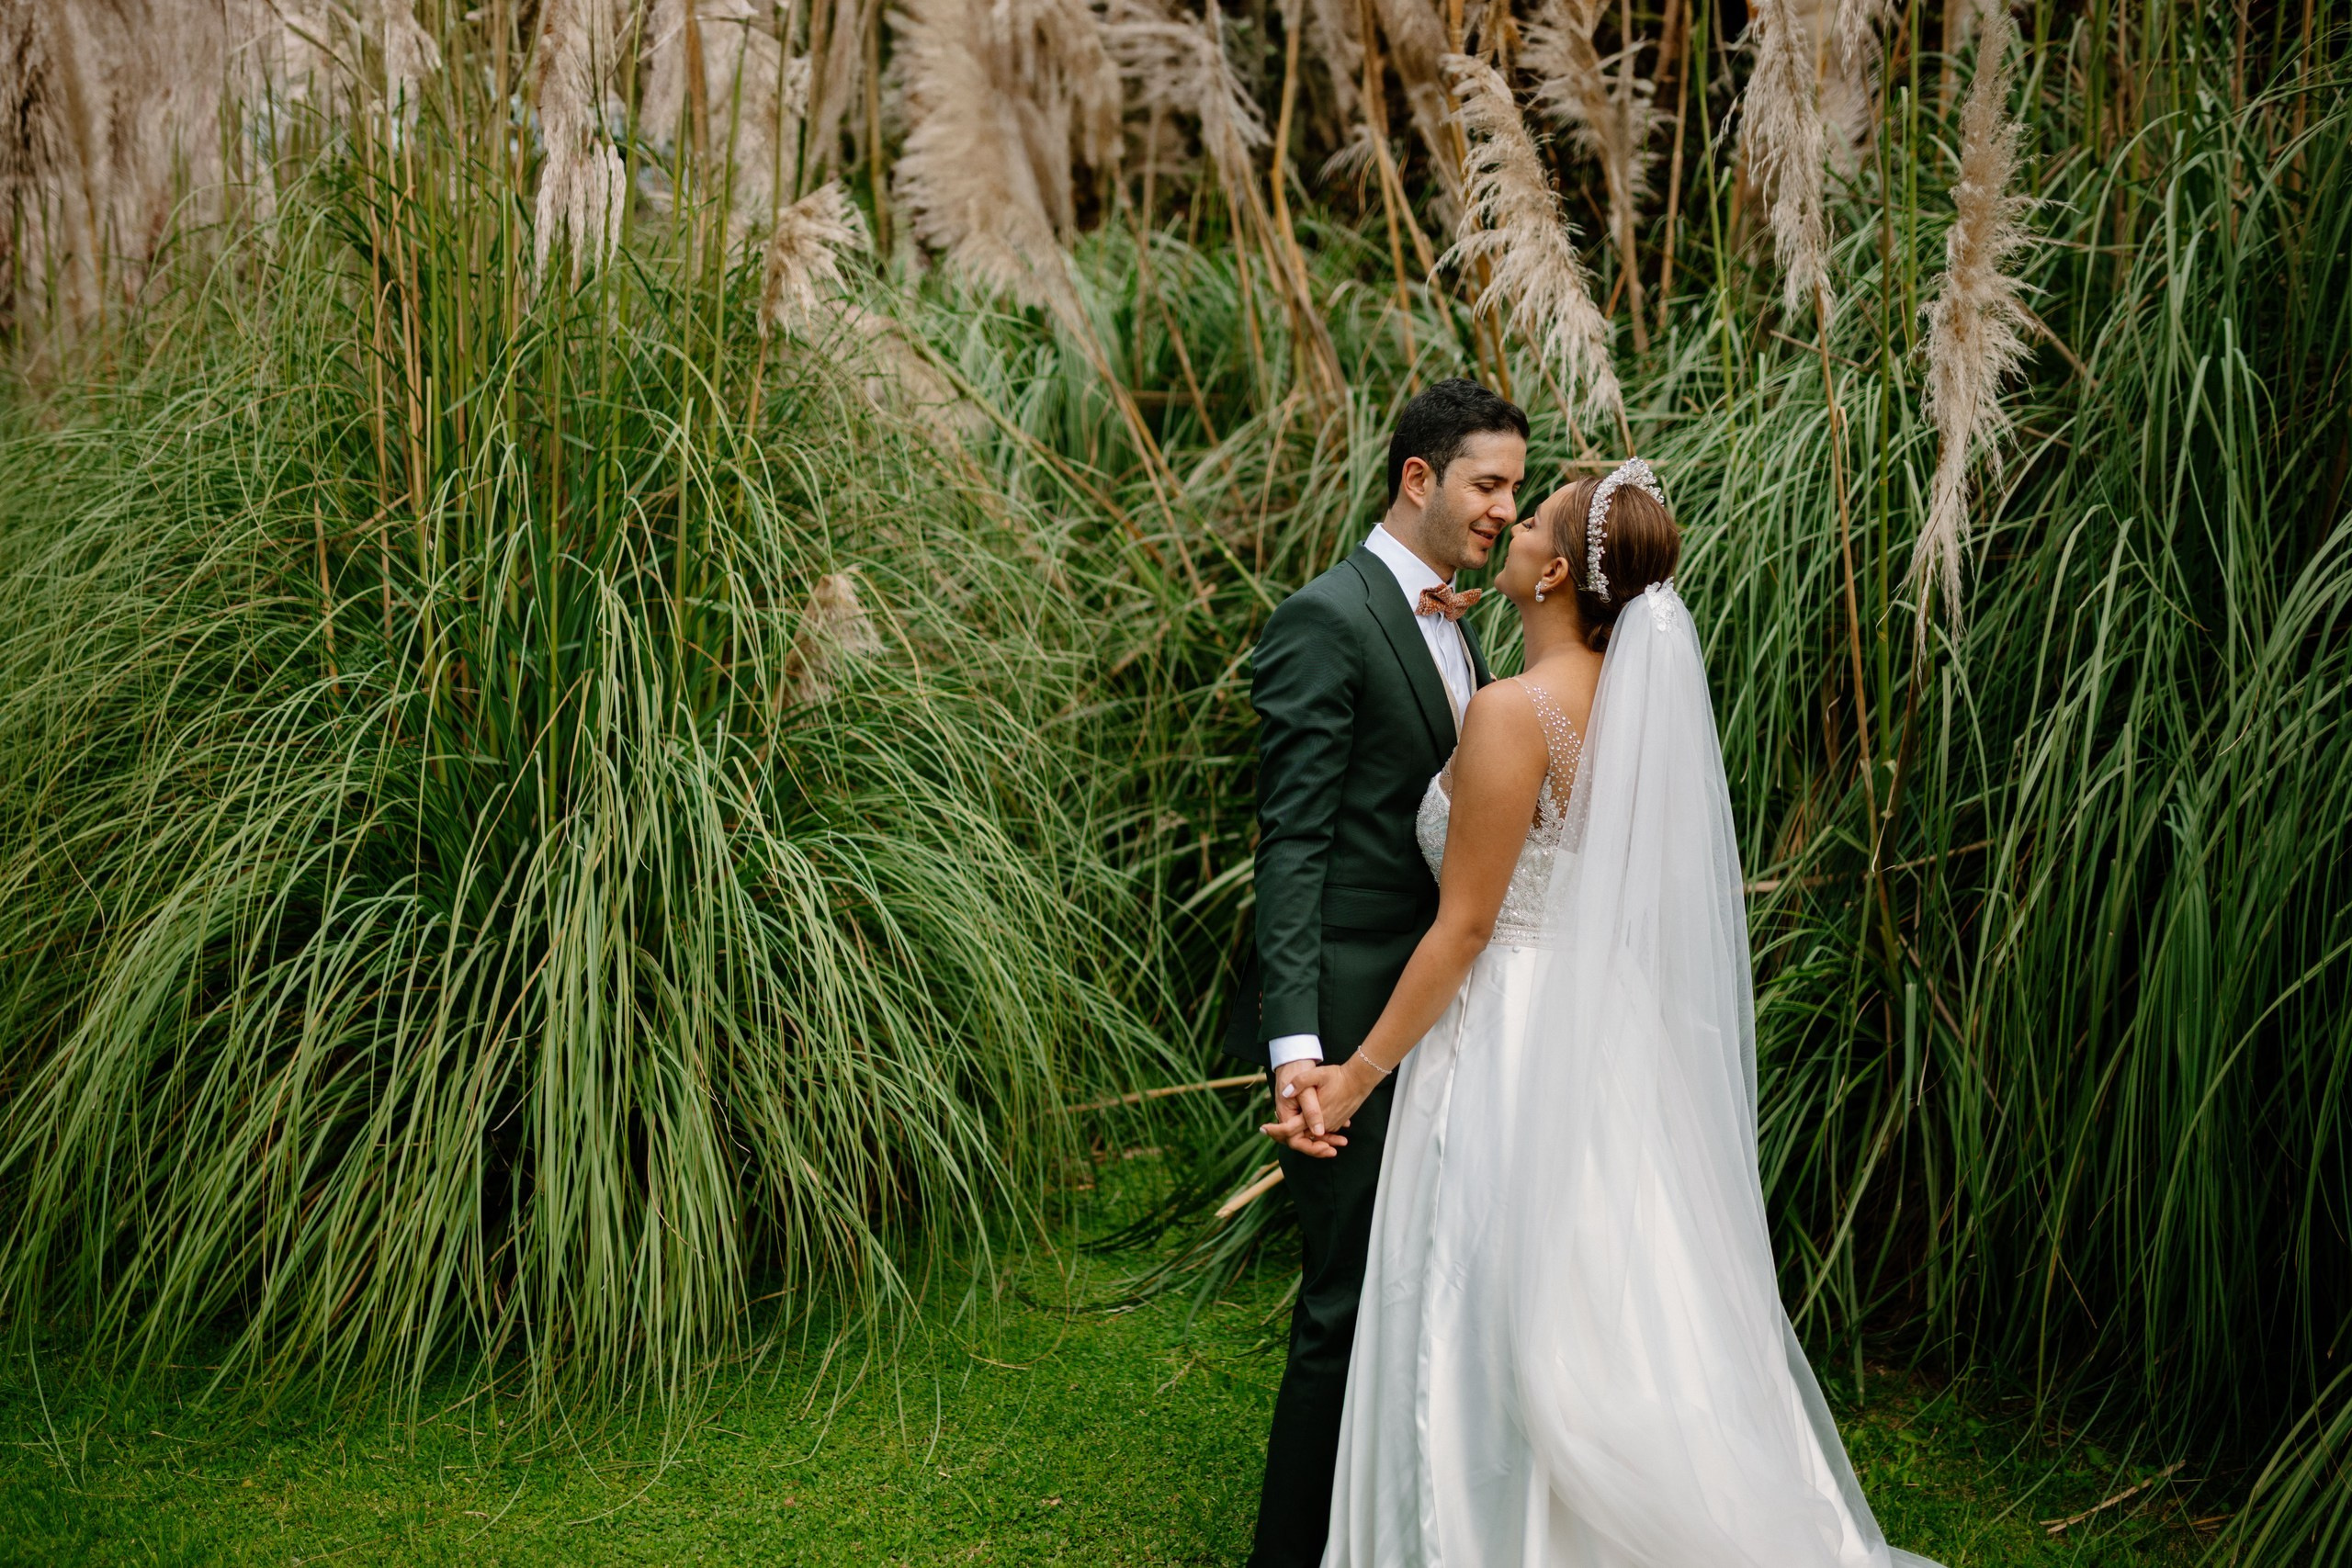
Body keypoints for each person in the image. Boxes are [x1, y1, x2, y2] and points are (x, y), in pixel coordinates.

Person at [1279, 463, 1943, 1567]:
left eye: (1528, 522)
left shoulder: (1510, 712)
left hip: (1509, 1041)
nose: (1509, 530)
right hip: (1607, 1038)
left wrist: (1352, 1075)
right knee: (1622, 1298)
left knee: (1486, 1295)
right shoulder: (1622, 709)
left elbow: (1464, 930)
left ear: (1552, 573)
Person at [1226, 377, 1531, 1568]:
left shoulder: (1454, 619)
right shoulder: (1330, 616)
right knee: (1342, 1307)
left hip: (1430, 1017)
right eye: (1488, 483)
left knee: (1408, 1297)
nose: (1505, 506)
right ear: (1420, 478)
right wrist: (1298, 1052)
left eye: (1515, 487)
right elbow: (1290, 842)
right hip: (1350, 1018)